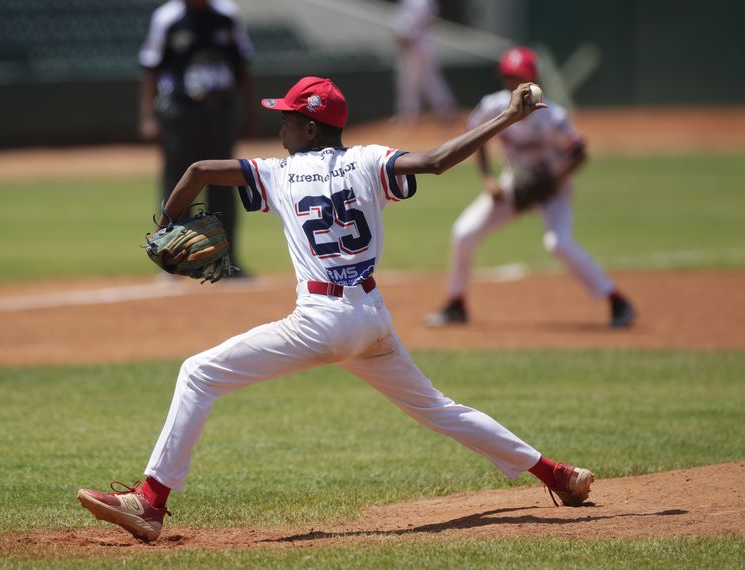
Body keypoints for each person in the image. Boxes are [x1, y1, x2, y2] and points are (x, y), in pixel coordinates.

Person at [77, 76, 595, 543]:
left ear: (308, 125)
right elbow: (436, 161)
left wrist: (168, 222)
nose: (281, 126)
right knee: (437, 408)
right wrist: (507, 117)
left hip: (320, 321)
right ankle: (557, 475)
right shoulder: (369, 158)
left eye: (286, 118)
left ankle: (150, 502)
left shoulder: (278, 173)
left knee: (198, 373)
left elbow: (196, 170)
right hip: (371, 319)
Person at [426, 46, 636, 328]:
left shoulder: (553, 116)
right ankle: (456, 304)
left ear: (534, 79)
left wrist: (554, 181)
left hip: (554, 189)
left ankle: (617, 302)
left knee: (558, 243)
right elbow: (473, 137)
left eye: (519, 77)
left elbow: (580, 153)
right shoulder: (493, 105)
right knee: (464, 232)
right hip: (513, 184)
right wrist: (488, 179)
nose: (513, 83)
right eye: (509, 77)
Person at [138, 0, 256, 274]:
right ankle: (170, 260)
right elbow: (151, 69)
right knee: (177, 185)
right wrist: (148, 116)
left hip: (220, 110)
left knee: (224, 184)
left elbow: (243, 66)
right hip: (180, 111)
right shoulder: (167, 17)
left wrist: (250, 112)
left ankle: (226, 260)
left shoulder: (228, 15)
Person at [393, 0, 456, 125]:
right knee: (427, 80)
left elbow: (416, 22)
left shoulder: (421, 2)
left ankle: (409, 115)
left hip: (418, 44)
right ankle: (444, 109)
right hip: (419, 44)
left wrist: (406, 37)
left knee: (411, 82)